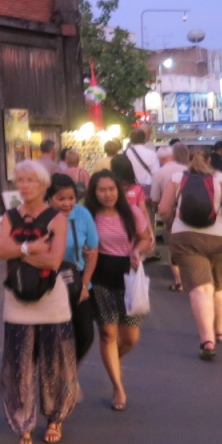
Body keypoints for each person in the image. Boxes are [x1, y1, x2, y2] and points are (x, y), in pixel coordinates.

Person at [0, 160, 76, 444]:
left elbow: (53, 261)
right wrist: (30, 248)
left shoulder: (57, 218)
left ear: (42, 184)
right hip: (17, 298)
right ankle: (23, 429)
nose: (24, 185)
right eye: (20, 179)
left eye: (30, 180)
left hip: (51, 299)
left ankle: (55, 418)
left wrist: (16, 253)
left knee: (55, 362)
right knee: (19, 364)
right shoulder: (10, 216)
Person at [158, 148, 222, 361]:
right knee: (219, 287)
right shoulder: (221, 179)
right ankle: (219, 330)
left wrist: (170, 222)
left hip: (186, 238)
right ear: (210, 160)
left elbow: (163, 209)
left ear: (188, 160)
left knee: (200, 288)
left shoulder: (176, 178)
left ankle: (207, 340)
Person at [84, 171, 152, 410]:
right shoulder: (89, 215)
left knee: (130, 337)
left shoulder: (131, 212)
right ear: (94, 192)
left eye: (111, 189)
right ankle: (118, 387)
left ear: (119, 190)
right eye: (102, 190)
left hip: (129, 278)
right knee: (108, 334)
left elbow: (146, 238)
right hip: (100, 279)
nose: (107, 194)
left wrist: (137, 250)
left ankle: (112, 359)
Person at [46, 173, 98, 363]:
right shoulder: (44, 216)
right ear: (49, 198)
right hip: (49, 281)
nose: (67, 204)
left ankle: (68, 370)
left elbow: (93, 249)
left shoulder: (82, 214)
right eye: (60, 199)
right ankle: (55, 372)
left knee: (85, 335)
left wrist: (85, 285)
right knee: (55, 336)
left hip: (77, 281)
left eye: (71, 198)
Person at [154, 144, 189, 291]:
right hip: (190, 213)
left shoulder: (159, 173)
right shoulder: (188, 169)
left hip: (172, 215)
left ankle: (179, 281)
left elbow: (155, 199)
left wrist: (161, 215)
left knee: (174, 247)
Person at [124, 129, 159, 206]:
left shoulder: (126, 153)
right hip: (148, 189)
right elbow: (156, 174)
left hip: (131, 189)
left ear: (131, 139)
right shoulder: (151, 154)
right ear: (144, 139)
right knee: (147, 211)